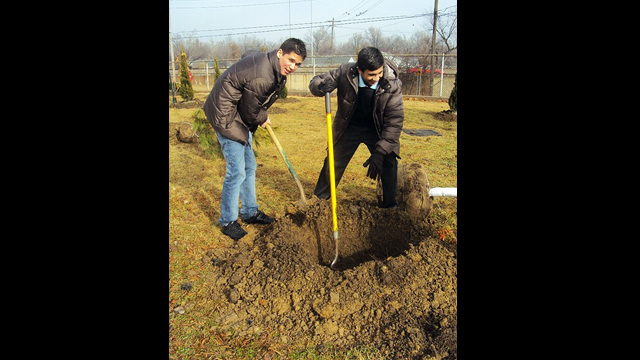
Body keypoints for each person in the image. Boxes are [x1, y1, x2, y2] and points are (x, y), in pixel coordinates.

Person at [203, 38, 307, 240]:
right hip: (226, 116)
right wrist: (263, 117)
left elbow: (247, 60)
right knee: (236, 171)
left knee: (249, 167)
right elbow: (250, 111)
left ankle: (250, 211)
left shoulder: (270, 65)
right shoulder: (264, 76)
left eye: (298, 64)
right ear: (279, 53)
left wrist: (258, 114)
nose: (293, 67)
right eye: (291, 60)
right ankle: (227, 221)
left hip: (238, 115)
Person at [308, 46, 404, 208]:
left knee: (389, 162)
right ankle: (319, 202)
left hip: (377, 129)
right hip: (349, 126)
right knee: (333, 161)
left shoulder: (392, 83)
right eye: (371, 74)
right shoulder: (345, 72)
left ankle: (389, 206)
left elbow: (394, 120)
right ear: (360, 70)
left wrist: (380, 152)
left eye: (379, 72)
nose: (377, 78)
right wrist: (321, 86)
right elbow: (315, 82)